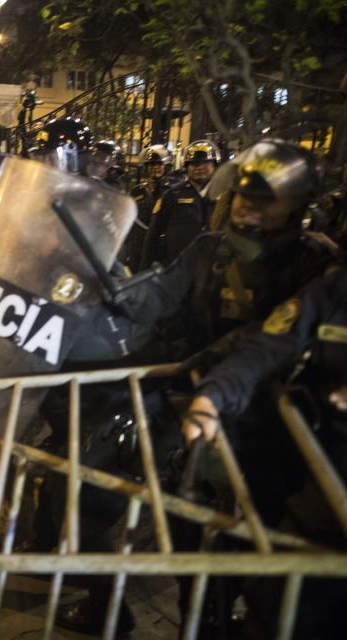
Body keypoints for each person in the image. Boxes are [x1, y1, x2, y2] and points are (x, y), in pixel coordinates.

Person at [48, 139, 339, 634]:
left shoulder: (315, 266)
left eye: (264, 199)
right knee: (88, 488)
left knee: (231, 553)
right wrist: (103, 303)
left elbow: (273, 338)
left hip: (264, 423)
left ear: (295, 207)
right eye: (245, 194)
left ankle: (209, 621)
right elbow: (160, 293)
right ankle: (107, 606)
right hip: (190, 399)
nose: (248, 206)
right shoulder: (209, 249)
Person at [183, 267, 346, 639]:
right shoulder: (334, 289)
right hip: (324, 493)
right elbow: (269, 343)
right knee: (275, 606)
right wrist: (213, 397)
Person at [140, 139, 220, 267]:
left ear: (214, 165)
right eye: (193, 164)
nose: (199, 167)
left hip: (213, 269)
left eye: (205, 163)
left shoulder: (225, 195)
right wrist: (144, 270)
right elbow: (153, 236)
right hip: (177, 268)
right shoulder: (172, 195)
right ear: (186, 167)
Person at [123, 144, 174, 270]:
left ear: (166, 167)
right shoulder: (137, 191)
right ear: (145, 168)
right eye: (151, 165)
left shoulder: (172, 192)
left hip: (160, 246)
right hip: (138, 246)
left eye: (159, 164)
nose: (155, 168)